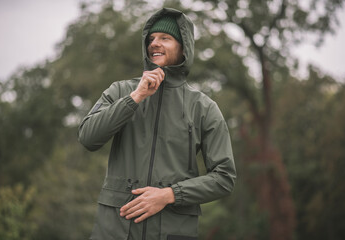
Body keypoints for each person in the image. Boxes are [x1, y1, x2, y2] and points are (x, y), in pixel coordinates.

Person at [78, 7, 236, 240]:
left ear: (184, 48)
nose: (154, 43)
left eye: (165, 38)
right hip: (114, 231)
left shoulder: (203, 107)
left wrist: (169, 194)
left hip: (173, 230)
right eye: (151, 38)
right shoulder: (121, 90)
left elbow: (224, 177)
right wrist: (135, 97)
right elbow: (88, 138)